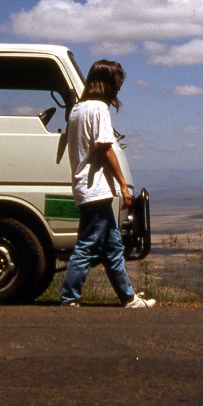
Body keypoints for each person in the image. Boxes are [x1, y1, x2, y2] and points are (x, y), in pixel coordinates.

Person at [60, 59, 156, 308]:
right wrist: (123, 186)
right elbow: (105, 148)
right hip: (97, 189)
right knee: (87, 245)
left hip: (85, 187)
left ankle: (128, 298)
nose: (119, 89)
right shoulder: (99, 109)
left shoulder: (77, 110)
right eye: (117, 83)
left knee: (113, 247)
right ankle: (69, 297)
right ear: (106, 82)